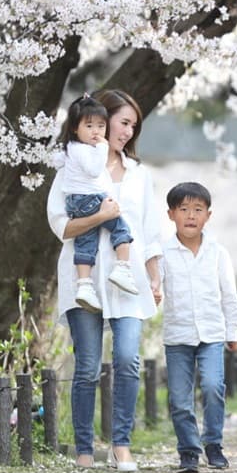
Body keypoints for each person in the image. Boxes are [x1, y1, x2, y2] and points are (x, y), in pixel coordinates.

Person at [46, 88, 163, 472]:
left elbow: (149, 232)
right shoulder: (70, 168)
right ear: (98, 119)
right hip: (85, 279)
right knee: (88, 366)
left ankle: (121, 444)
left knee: (128, 359)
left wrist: (155, 277)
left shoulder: (139, 175)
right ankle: (83, 448)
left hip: (127, 280)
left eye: (134, 126)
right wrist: (99, 217)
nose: (128, 131)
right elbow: (61, 226)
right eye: (123, 122)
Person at [159, 181, 237, 473]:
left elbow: (229, 295)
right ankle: (189, 451)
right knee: (180, 399)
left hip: (212, 335)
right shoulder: (163, 253)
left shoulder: (218, 253)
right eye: (183, 209)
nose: (190, 216)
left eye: (197, 209)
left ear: (208, 215)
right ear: (171, 214)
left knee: (212, 386)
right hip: (177, 336)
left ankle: (213, 444)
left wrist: (233, 332)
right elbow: (154, 288)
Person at [60, 94, 139, 312]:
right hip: (91, 200)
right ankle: (122, 267)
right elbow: (95, 170)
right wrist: (102, 148)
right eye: (90, 126)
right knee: (121, 226)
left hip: (75, 203)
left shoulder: (70, 149)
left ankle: (84, 285)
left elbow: (58, 160)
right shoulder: (89, 150)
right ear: (75, 128)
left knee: (85, 242)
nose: (96, 132)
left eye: (100, 126)